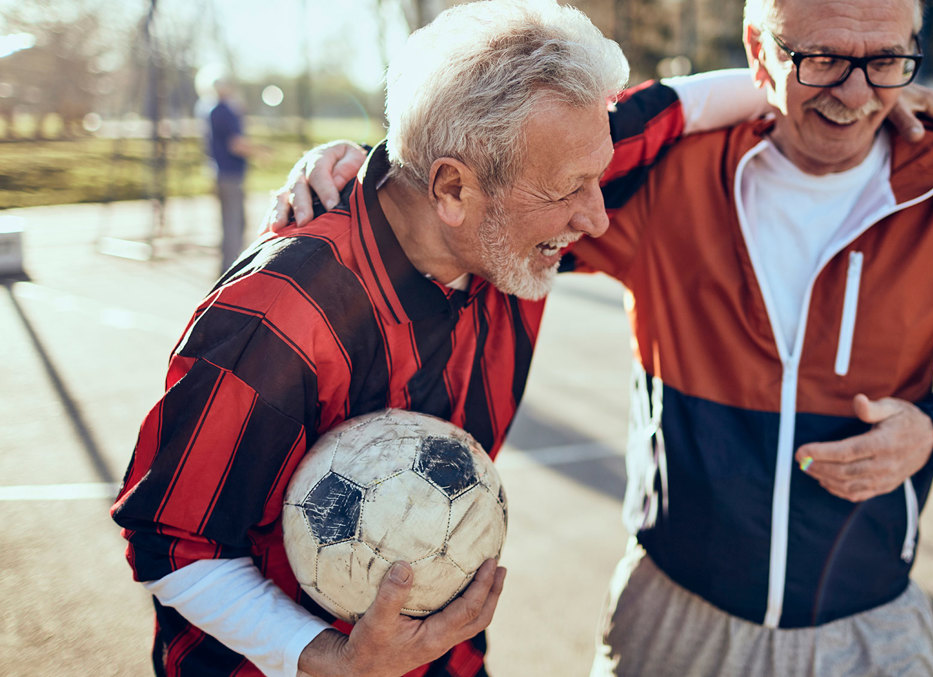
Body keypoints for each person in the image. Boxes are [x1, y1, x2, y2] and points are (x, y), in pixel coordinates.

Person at [284, 0, 933, 675]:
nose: (854, 93)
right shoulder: (669, 175)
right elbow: (498, 184)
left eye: (885, 59)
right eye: (820, 58)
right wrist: (373, 173)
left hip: (869, 628)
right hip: (676, 622)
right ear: (759, 51)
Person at [110, 3, 631, 676]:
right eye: (571, 190)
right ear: (451, 188)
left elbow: (704, 100)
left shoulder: (515, 222)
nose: (595, 216)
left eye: (600, 175)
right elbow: (169, 541)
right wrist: (329, 657)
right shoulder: (278, 313)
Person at [197, 68, 254, 274]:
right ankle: (232, 269)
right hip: (231, 173)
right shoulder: (226, 111)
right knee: (234, 224)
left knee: (228, 222)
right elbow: (236, 144)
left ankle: (226, 266)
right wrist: (260, 151)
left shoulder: (210, 110)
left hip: (219, 172)